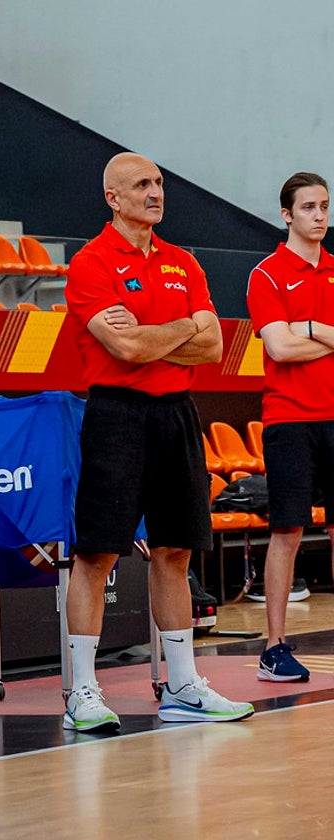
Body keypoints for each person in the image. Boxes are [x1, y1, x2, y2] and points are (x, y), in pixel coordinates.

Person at [63, 152, 253, 730]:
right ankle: (83, 692)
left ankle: (183, 685)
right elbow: (126, 351)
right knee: (97, 554)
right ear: (112, 198)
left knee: (174, 550)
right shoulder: (91, 263)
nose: (156, 192)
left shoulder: (183, 262)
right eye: (142, 184)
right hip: (116, 414)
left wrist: (152, 335)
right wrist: (181, 329)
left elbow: (214, 347)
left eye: (160, 183)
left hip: (177, 414)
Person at [246, 172, 334, 682]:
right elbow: (278, 348)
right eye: (308, 208)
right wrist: (326, 332)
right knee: (288, 532)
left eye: (324, 206)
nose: (319, 216)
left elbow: (292, 339)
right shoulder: (268, 275)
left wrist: (307, 328)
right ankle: (274, 648)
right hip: (290, 419)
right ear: (287, 214)